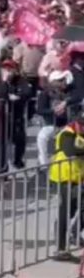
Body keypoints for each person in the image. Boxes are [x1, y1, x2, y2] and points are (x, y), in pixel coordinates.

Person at [48, 110, 84, 261]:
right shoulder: (66, 133)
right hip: (64, 179)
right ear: (75, 123)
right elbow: (70, 151)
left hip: (77, 179)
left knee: (78, 209)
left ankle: (75, 233)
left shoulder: (80, 136)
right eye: (82, 124)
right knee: (66, 212)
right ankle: (60, 247)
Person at [36, 71, 72, 166]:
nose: (64, 82)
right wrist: (53, 111)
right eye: (60, 80)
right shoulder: (45, 94)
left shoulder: (68, 94)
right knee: (42, 137)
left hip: (66, 124)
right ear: (53, 81)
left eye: (63, 80)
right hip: (50, 124)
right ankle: (44, 164)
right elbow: (40, 110)